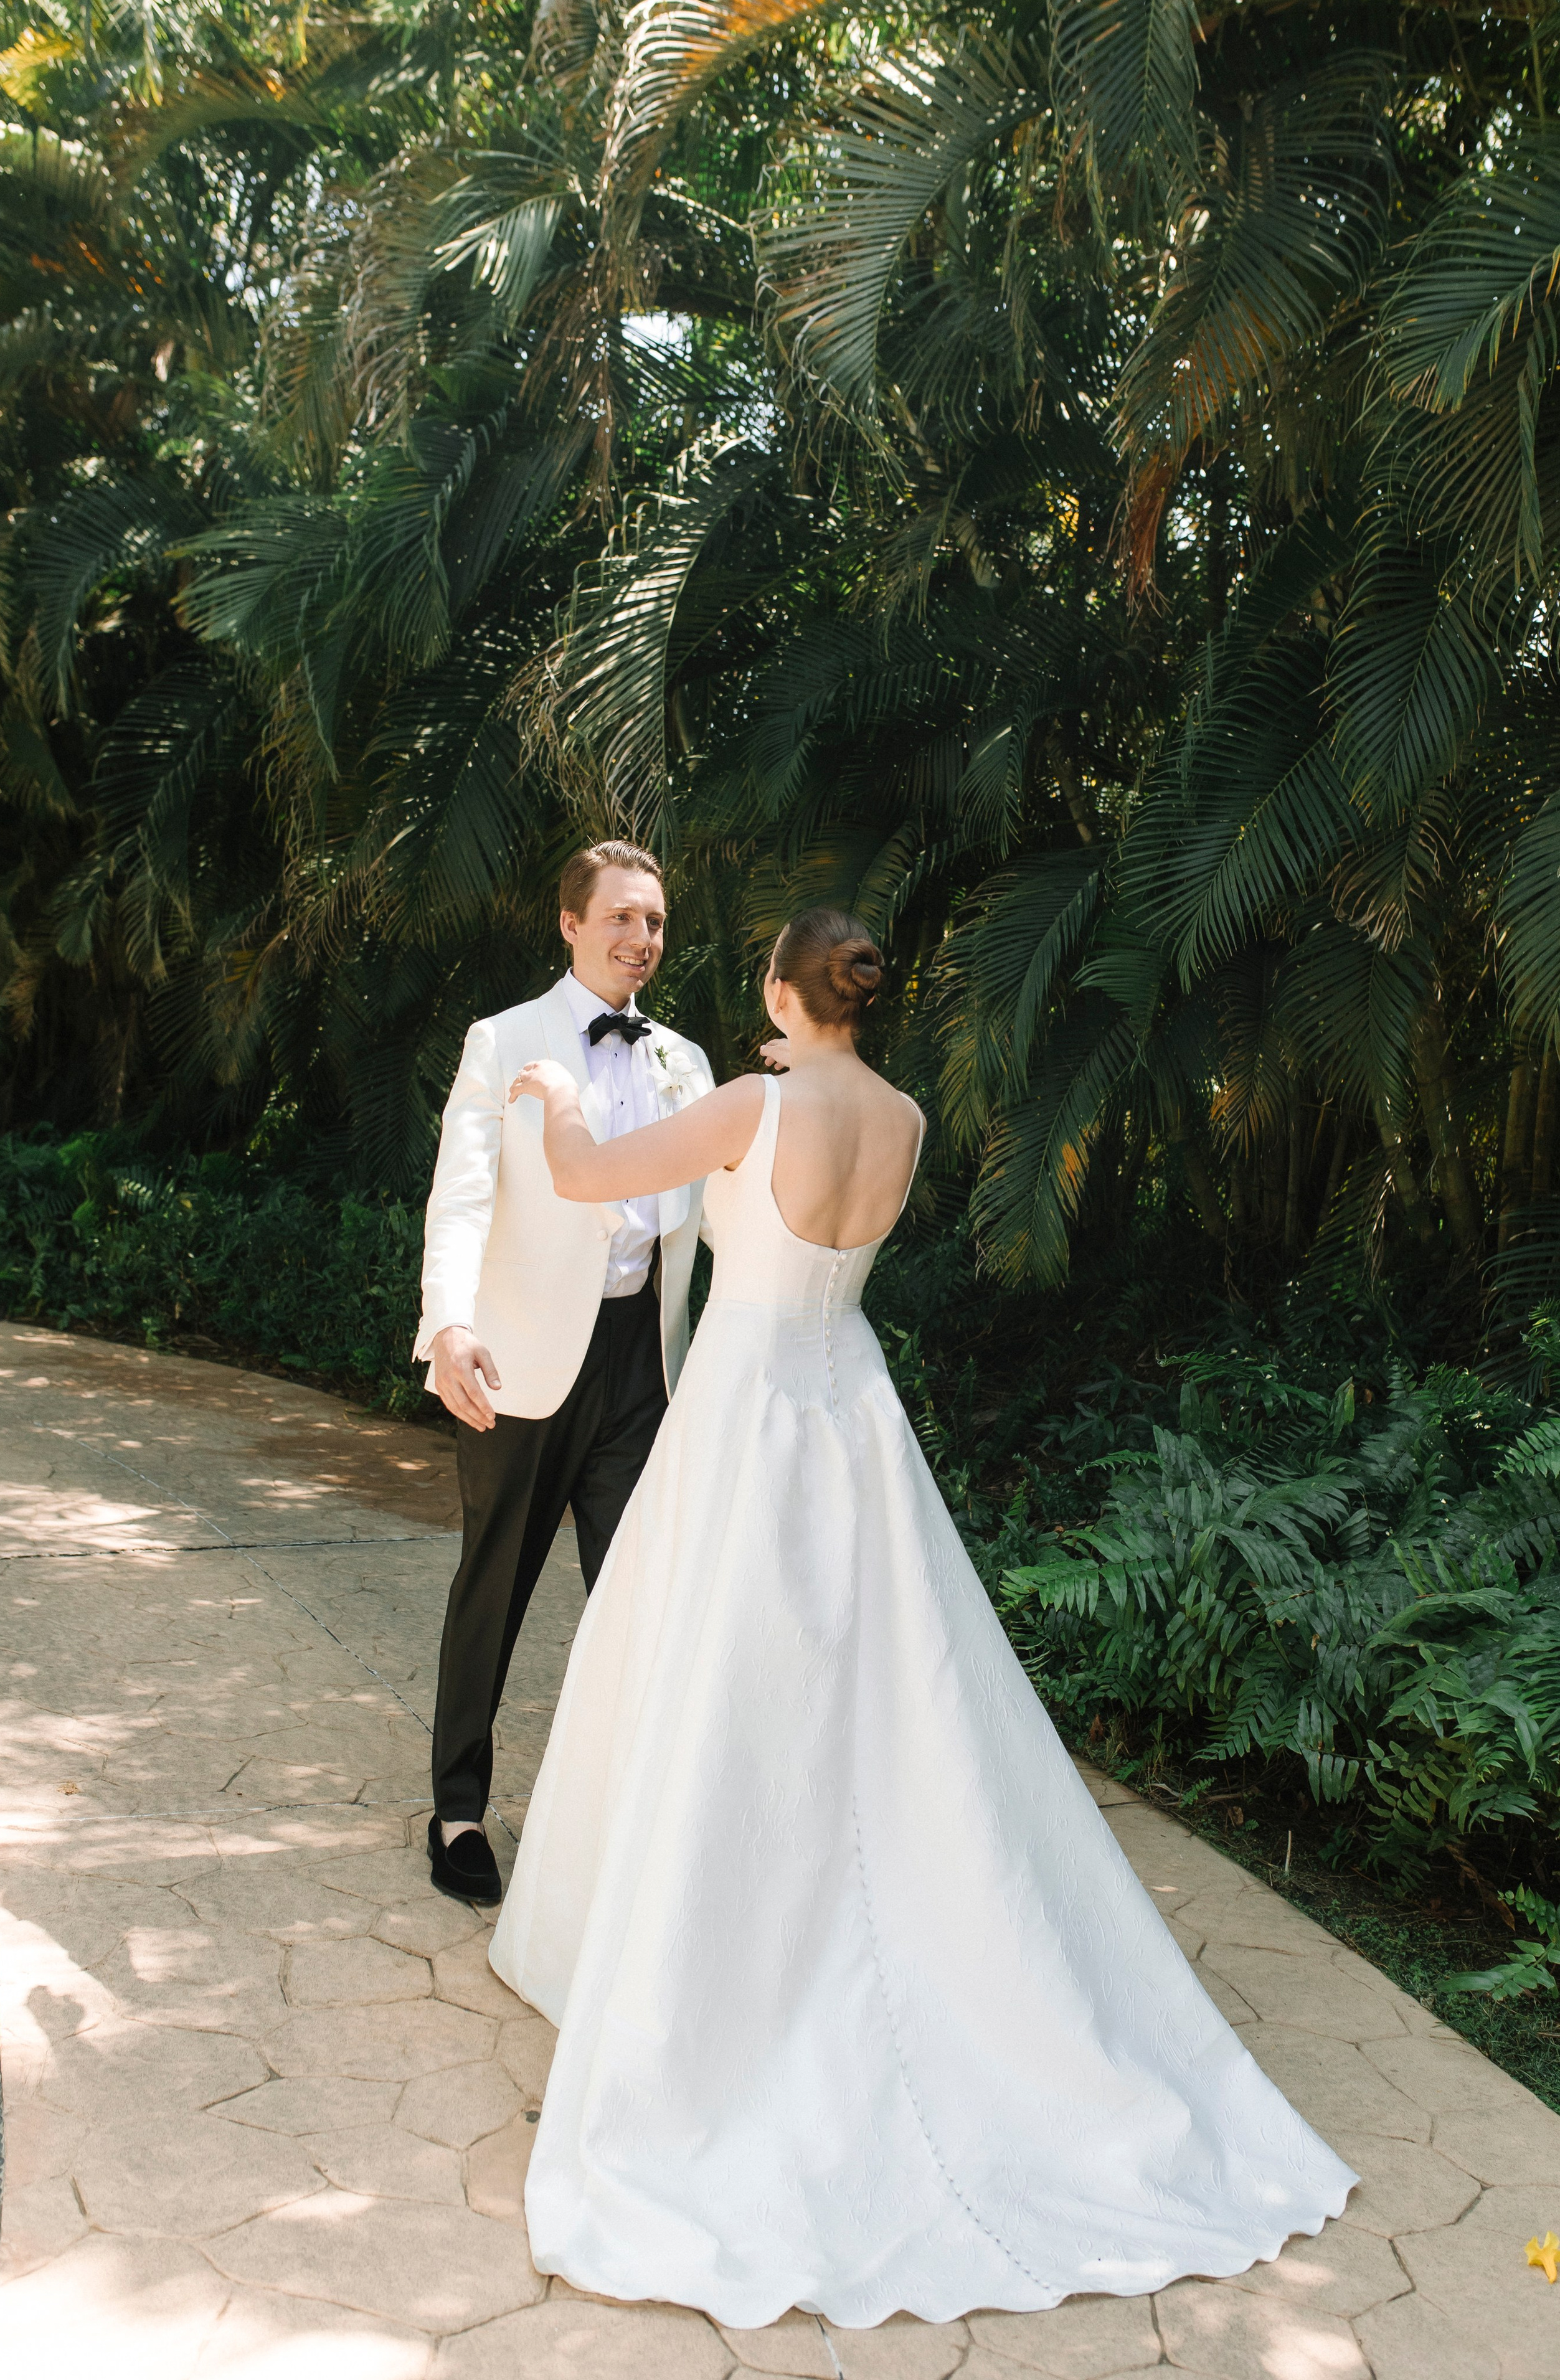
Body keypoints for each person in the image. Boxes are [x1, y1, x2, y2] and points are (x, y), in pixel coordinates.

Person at [484, 903, 1356, 2328]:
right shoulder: (898, 1118)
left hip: (743, 1415)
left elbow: (583, 1176)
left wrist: (551, 1094)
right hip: (847, 1404)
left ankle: (707, 1995)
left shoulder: (739, 1107)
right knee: (883, 1702)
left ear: (779, 989)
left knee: (717, 1692)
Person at [414, 841, 714, 1902]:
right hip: (525, 1354)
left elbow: (711, 1211)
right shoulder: (503, 1043)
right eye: (623, 917)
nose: (643, 939)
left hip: (645, 1361)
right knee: (493, 1579)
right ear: (570, 923)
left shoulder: (687, 1059)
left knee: (632, 1596)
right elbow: (461, 1197)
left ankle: (619, 1817)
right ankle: (457, 1810)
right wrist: (448, 1327)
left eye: (657, 922)